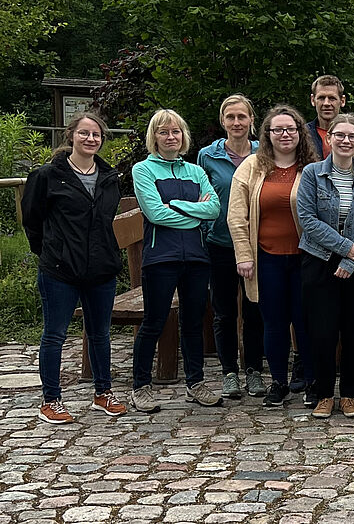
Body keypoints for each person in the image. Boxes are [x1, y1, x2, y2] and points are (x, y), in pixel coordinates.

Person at [23, 112, 127, 423]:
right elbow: (32, 220)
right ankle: (51, 400)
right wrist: (50, 252)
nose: (90, 139)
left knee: (100, 334)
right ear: (71, 136)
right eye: (84, 133)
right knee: (54, 334)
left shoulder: (109, 177)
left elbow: (105, 221)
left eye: (96, 134)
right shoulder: (47, 175)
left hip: (100, 268)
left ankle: (103, 393)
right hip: (60, 269)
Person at [130, 109, 222, 412]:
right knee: (154, 321)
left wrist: (177, 205)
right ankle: (140, 386)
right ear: (154, 137)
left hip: (196, 256)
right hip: (161, 257)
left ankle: (196, 383)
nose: (171, 137)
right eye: (164, 132)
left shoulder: (195, 171)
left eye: (175, 131)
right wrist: (194, 212)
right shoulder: (143, 170)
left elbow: (214, 210)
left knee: (193, 322)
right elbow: (155, 213)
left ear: (183, 136)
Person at [227, 104, 318, 407]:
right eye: (277, 129)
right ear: (267, 133)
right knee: (274, 323)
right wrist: (243, 255)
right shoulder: (252, 166)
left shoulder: (313, 167)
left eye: (290, 129)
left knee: (305, 321)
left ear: (300, 132)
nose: (284, 134)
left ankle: (311, 381)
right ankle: (278, 382)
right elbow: (236, 216)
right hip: (266, 258)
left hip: (306, 258)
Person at [296, 113, 354, 419]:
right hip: (319, 259)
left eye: (351, 136)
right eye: (340, 135)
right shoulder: (312, 174)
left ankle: (349, 394)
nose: (346, 141)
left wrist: (350, 258)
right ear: (329, 139)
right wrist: (344, 248)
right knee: (322, 330)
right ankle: (323, 394)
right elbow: (307, 219)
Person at [198, 94, 266, 400]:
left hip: (257, 244)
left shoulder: (264, 153)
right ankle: (229, 373)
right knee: (224, 312)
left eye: (242, 116)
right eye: (230, 117)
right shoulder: (207, 156)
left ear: (251, 119)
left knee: (255, 310)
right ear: (223, 121)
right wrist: (205, 231)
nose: (236, 122)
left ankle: (254, 370)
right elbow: (201, 197)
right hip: (221, 243)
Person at [306, 74, 346, 159]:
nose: (326, 103)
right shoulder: (303, 134)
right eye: (321, 98)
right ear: (313, 100)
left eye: (332, 98)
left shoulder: (353, 135)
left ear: (342, 101)